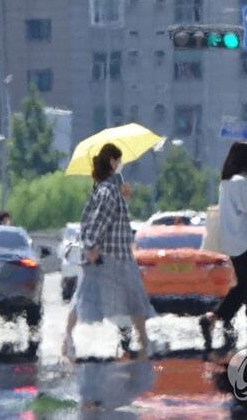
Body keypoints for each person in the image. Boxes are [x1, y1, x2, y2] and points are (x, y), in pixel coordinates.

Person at [62, 143, 156, 360]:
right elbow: (98, 221)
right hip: (112, 258)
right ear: (113, 161)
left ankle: (68, 340)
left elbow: (103, 220)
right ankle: (143, 344)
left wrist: (123, 198)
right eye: (119, 159)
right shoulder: (108, 191)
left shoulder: (105, 189)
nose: (121, 164)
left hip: (111, 256)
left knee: (84, 298)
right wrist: (91, 246)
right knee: (132, 299)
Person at [198, 141, 247, 351]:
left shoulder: (226, 182)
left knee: (243, 287)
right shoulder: (238, 182)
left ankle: (212, 318)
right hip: (244, 241)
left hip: (232, 242)